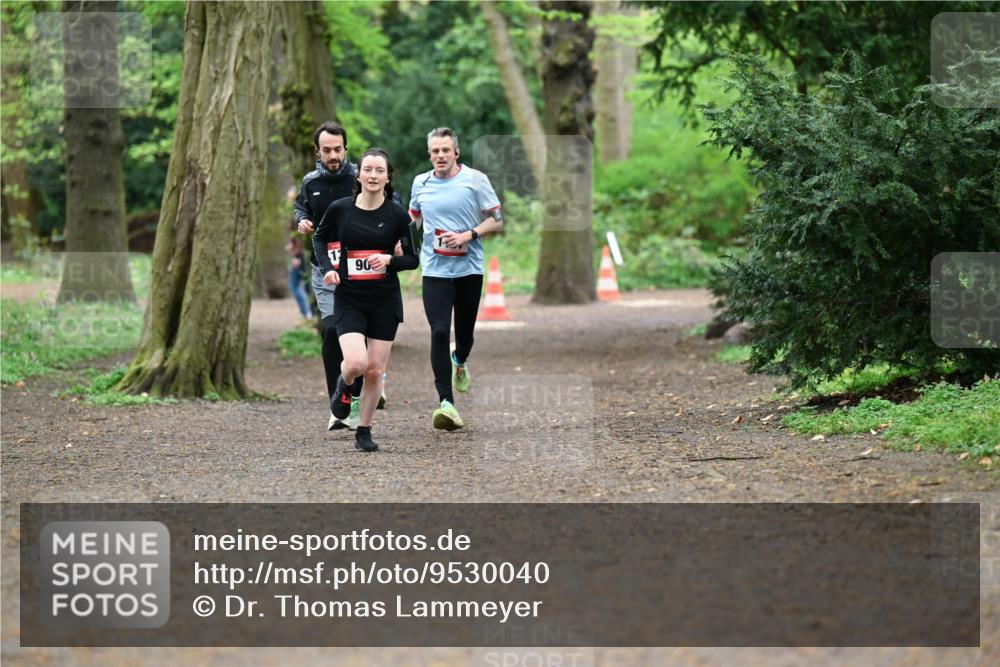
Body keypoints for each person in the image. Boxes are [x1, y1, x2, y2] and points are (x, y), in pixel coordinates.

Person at [313, 148, 418, 452]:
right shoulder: (340, 209)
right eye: (368, 170)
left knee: (374, 369)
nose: (373, 176)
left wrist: (388, 259)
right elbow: (319, 239)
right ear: (358, 175)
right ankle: (343, 386)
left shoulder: (398, 214)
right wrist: (329, 269)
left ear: (388, 177)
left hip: (384, 301)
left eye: (379, 171)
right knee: (356, 363)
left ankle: (364, 430)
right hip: (350, 298)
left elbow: (413, 259)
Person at [293, 121, 387, 430]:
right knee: (332, 331)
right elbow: (300, 209)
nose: (333, 155)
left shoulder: (360, 176)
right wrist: (303, 222)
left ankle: (370, 382)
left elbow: (387, 204)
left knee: (367, 330)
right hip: (325, 271)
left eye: (338, 149)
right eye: (327, 150)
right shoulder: (310, 182)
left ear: (345, 148)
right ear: (316, 151)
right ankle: (339, 398)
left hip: (360, 268)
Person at [408, 127, 503, 430]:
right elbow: (411, 220)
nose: (440, 156)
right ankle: (446, 403)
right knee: (438, 331)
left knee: (464, 335)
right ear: (429, 154)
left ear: (456, 152)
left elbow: (497, 220)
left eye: (445, 150)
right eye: (435, 151)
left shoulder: (475, 180)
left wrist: (469, 234)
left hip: (468, 270)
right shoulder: (420, 183)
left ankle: (459, 360)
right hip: (434, 270)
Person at [285, 236, 313, 322]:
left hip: (298, 262)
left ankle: (307, 313)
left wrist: (296, 258)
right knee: (299, 288)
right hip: (300, 261)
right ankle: (305, 313)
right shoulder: (296, 235)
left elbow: (288, 248)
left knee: (295, 287)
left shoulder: (296, 236)